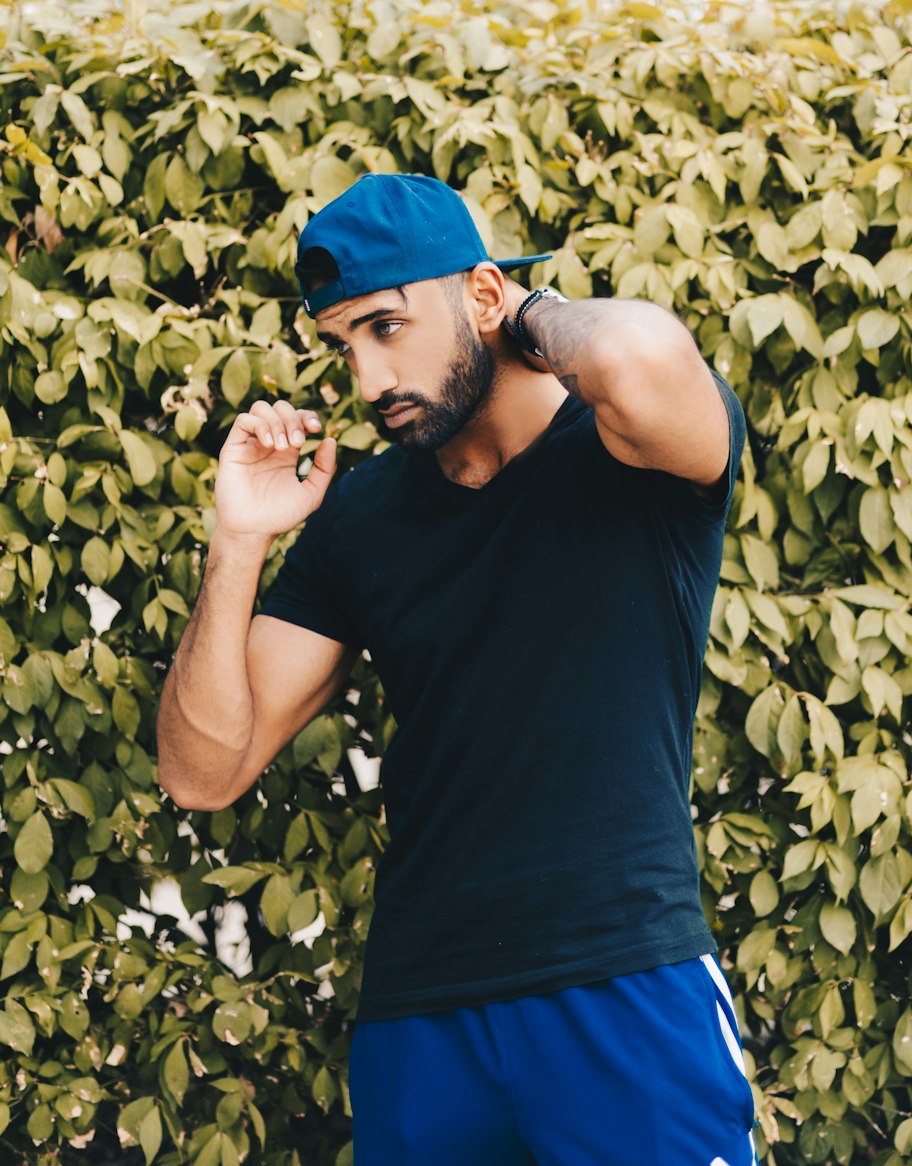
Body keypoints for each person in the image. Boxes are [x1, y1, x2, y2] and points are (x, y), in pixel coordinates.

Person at [156, 172, 756, 1166]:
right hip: (421, 1008)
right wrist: (237, 540)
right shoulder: (361, 517)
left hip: (617, 980)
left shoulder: (630, 454)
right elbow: (201, 771)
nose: (364, 378)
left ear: (483, 297)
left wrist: (518, 311)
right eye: (343, 343)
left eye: (387, 327)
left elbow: (643, 358)